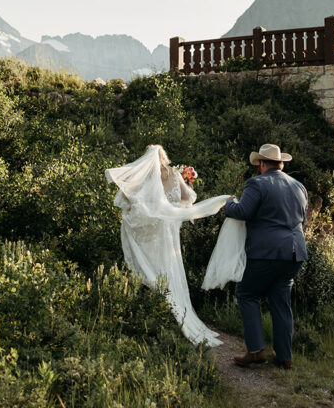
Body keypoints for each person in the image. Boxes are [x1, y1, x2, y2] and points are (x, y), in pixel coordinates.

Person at [105, 144, 228, 346]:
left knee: (153, 267)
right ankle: (175, 313)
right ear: (165, 158)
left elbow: (126, 198)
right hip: (169, 231)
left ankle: (157, 312)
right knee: (170, 267)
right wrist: (174, 207)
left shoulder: (145, 177)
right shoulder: (174, 174)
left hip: (151, 232)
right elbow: (188, 197)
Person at [223, 143, 308, 369]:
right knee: (281, 300)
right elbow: (303, 220)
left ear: (261, 163)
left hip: (267, 252)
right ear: (280, 163)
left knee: (246, 292)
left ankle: (256, 350)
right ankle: (284, 357)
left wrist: (228, 204)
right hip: (295, 252)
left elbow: (243, 212)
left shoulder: (257, 183)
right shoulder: (299, 186)